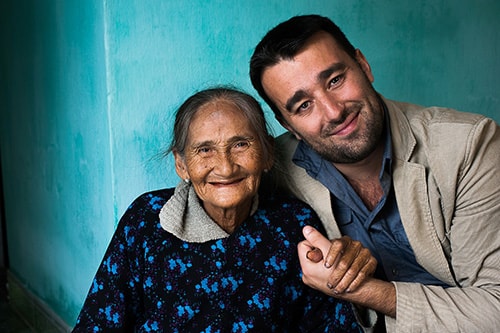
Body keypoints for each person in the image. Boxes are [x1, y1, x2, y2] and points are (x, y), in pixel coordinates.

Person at [249, 14, 500, 333]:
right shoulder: (274, 166)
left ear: (363, 65)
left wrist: (361, 289)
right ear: (288, 126)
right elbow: (209, 186)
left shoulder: (469, 145)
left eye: (335, 80)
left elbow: (496, 308)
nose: (334, 111)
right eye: (303, 106)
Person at [71, 86, 369, 332]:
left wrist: (347, 270)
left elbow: (329, 324)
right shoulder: (148, 220)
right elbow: (99, 322)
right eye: (205, 150)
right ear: (181, 164)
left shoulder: (293, 223)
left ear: (266, 154)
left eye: (240, 145)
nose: (225, 167)